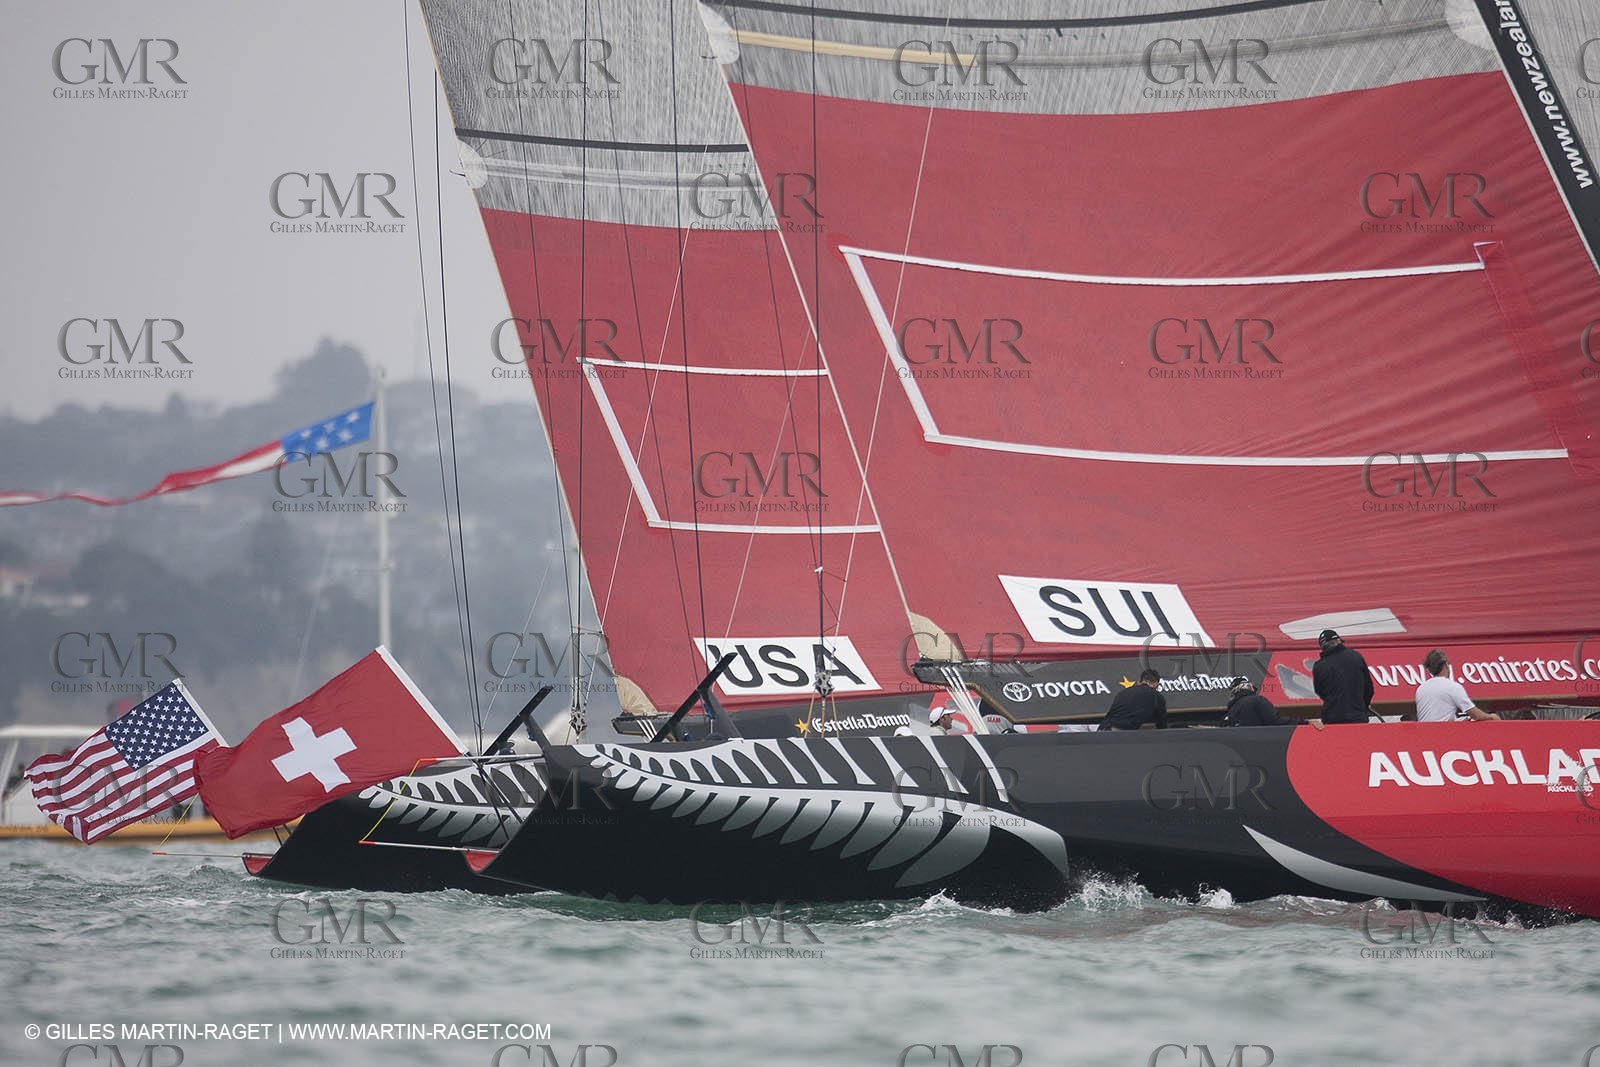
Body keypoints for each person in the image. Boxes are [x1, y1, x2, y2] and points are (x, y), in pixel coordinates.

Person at [1415, 649, 1500, 722]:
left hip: (1424, 733)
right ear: (1446, 665)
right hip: (1442, 733)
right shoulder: (1452, 687)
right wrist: (1491, 717)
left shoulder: (1421, 689)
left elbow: (1436, 716)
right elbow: (1476, 715)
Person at [1311, 629, 1374, 723]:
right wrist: (1363, 706)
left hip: (1332, 717)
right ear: (1338, 641)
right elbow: (1369, 688)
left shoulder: (1319, 666)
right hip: (1358, 716)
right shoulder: (1356, 656)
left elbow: (1319, 691)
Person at [1098, 669, 1168, 730]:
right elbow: (1162, 723)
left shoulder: (1123, 692)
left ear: (1139, 681)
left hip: (1103, 728)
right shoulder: (1156, 696)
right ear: (1156, 684)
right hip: (1120, 731)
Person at [1222, 678, 1298, 727]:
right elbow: (1275, 721)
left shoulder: (1231, 711)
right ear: (1249, 687)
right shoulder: (1257, 700)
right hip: (1260, 743)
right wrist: (1301, 722)